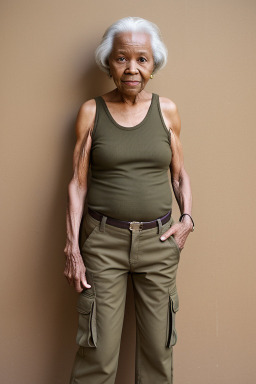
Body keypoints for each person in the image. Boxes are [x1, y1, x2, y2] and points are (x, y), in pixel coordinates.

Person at [64, 16, 194, 384]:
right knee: (97, 353)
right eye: (122, 58)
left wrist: (187, 220)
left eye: (142, 59)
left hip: (158, 242)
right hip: (103, 243)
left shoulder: (167, 111)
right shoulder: (92, 111)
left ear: (154, 66)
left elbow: (179, 173)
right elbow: (77, 183)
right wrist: (73, 247)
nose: (132, 68)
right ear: (109, 63)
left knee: (157, 353)